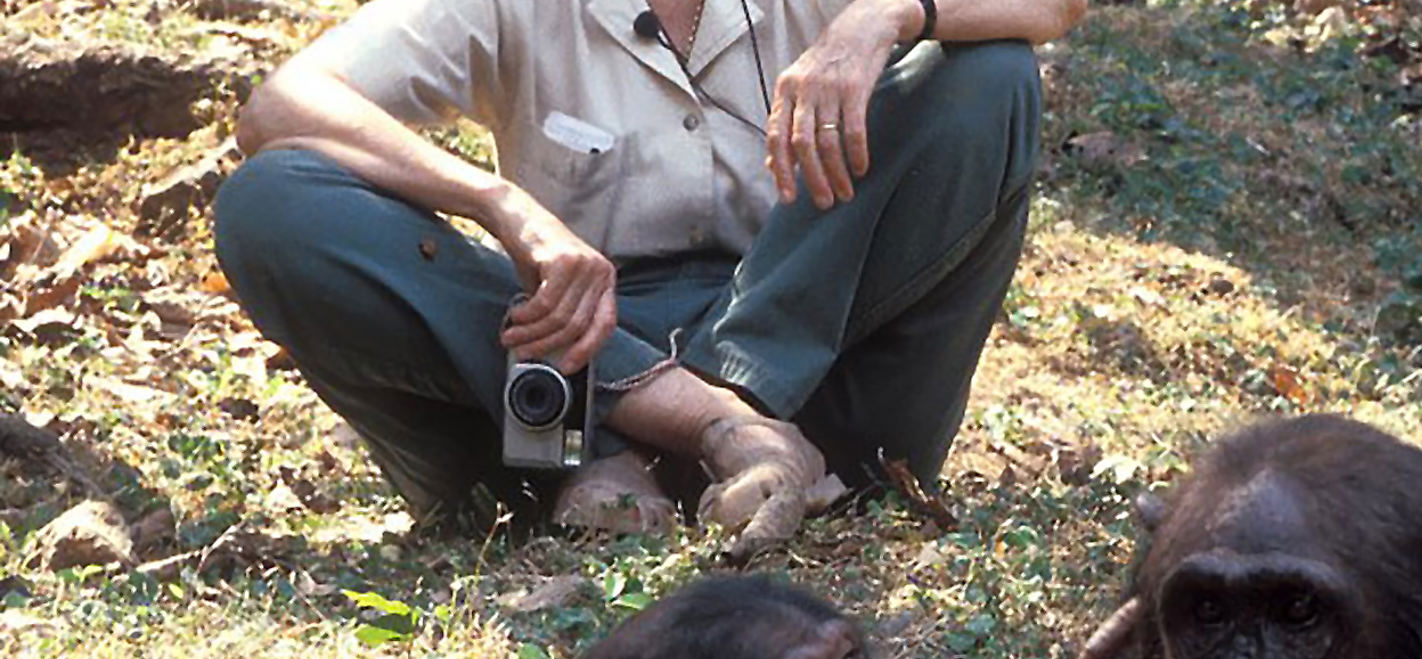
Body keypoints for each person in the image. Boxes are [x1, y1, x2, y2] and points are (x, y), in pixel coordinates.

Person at [214, 0, 1083, 539]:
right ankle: (689, 424)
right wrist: (498, 204)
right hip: (557, 405)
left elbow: (1054, 2)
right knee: (274, 202)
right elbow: (282, 106)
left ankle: (731, 429)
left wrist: (886, 17)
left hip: (826, 395)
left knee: (992, 77)